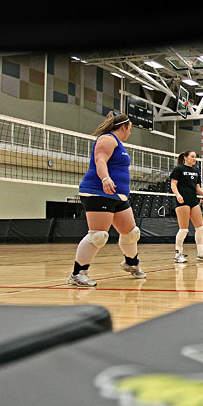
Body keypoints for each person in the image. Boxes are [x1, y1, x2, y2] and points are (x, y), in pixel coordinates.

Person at [69, 111, 146, 287]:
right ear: (124, 127)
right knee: (98, 235)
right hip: (99, 192)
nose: (130, 132)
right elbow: (100, 160)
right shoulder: (107, 139)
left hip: (116, 195)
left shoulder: (118, 143)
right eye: (130, 129)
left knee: (131, 233)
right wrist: (105, 178)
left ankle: (131, 264)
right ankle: (78, 274)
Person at [170, 150, 203, 263]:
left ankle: (201, 254)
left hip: (193, 201)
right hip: (182, 201)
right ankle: (178, 254)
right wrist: (178, 195)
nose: (194, 159)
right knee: (183, 229)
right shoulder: (179, 169)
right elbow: (173, 184)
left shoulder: (195, 171)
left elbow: (197, 188)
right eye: (192, 157)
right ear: (185, 158)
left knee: (200, 228)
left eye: (195, 157)